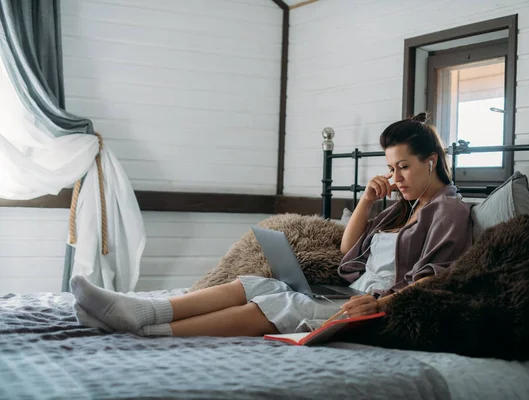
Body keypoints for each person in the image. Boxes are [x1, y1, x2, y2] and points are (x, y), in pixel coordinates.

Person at [70, 113, 472, 338]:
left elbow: (439, 276)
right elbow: (350, 253)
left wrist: (380, 303)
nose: (396, 177)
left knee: (283, 301)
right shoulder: (402, 207)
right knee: (253, 283)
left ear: (431, 160)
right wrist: (368, 200)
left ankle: (146, 330)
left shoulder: (448, 211)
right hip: (349, 291)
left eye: (403, 167)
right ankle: (143, 309)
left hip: (372, 307)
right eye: (390, 168)